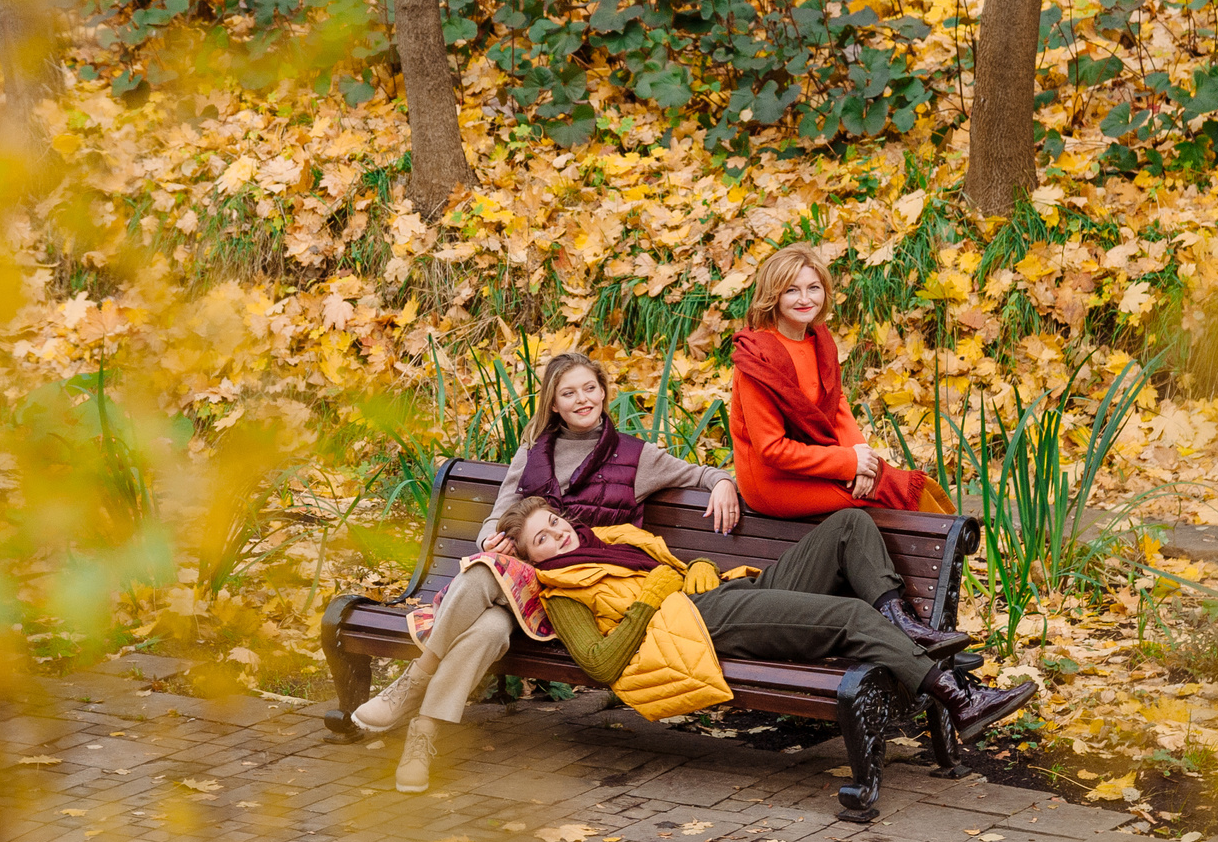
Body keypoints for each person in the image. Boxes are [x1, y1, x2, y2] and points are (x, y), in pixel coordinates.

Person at [350, 349, 741, 793]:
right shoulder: (531, 453)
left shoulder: (637, 457)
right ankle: (424, 734)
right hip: (520, 586)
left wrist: (723, 482)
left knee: (480, 579)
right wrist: (490, 542)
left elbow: (700, 474)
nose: (582, 400)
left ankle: (415, 678)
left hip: (574, 598)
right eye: (568, 393)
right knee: (488, 630)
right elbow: (494, 521)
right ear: (553, 404)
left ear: (603, 392)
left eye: (590, 389)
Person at [498, 497, 1033, 736]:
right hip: (695, 624)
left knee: (848, 523)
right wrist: (652, 598)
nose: (557, 536)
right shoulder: (562, 590)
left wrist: (698, 567)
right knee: (847, 616)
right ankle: (959, 699)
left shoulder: (608, 541)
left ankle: (901, 621)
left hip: (721, 595)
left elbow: (671, 570)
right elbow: (598, 662)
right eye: (541, 540)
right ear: (531, 558)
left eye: (553, 522)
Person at [730, 242, 959, 519]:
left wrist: (862, 460)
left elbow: (835, 404)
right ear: (773, 295)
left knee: (916, 488)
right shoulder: (757, 358)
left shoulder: (820, 342)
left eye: (813, 288)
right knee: (894, 497)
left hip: (820, 458)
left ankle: (955, 557)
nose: (805, 299)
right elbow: (772, 450)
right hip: (774, 481)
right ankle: (936, 560)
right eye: (792, 290)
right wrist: (849, 462)